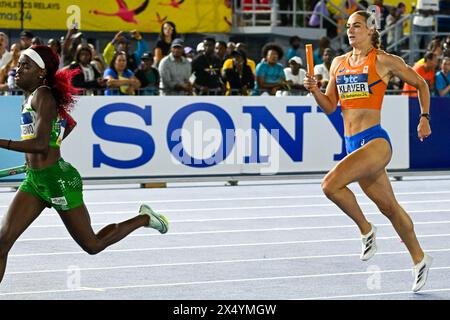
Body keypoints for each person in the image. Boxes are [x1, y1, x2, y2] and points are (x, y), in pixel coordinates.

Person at [0, 45, 169, 283]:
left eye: (25, 65)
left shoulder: (43, 95)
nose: (18, 69)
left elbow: (39, 145)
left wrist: (10, 145)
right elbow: (68, 125)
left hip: (58, 180)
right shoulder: (30, 96)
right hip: (35, 180)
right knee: (2, 243)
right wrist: (36, 159)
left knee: (93, 244)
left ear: (41, 73)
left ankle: (144, 218)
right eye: (18, 64)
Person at [304, 11, 433, 292]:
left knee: (330, 185)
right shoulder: (338, 64)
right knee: (389, 207)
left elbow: (421, 83)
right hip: (352, 144)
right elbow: (329, 106)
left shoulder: (384, 60)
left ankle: (366, 229)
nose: (351, 31)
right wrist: (314, 90)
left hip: (375, 142)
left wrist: (424, 117)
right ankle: (420, 259)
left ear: (370, 29)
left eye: (357, 26)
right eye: (348, 27)